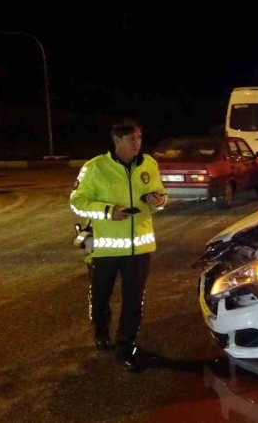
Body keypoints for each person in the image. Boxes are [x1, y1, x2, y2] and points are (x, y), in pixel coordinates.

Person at [69, 119, 168, 372]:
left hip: (139, 249)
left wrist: (157, 200)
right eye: (131, 139)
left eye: (139, 138)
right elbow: (77, 202)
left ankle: (126, 346)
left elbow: (160, 197)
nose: (137, 143)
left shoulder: (149, 164)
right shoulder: (94, 168)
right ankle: (101, 330)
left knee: (134, 299)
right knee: (101, 296)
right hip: (105, 248)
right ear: (117, 141)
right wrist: (108, 211)